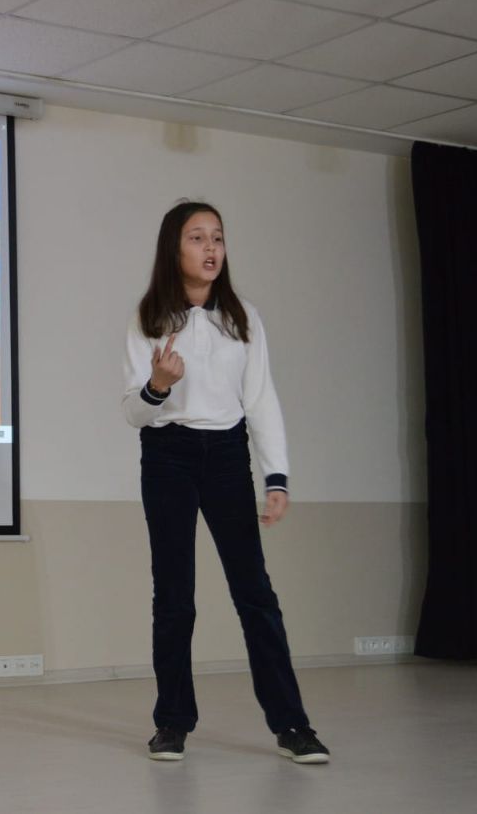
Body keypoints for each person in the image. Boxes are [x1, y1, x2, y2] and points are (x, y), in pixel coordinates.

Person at [122, 200, 330, 765]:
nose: (211, 248)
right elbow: (134, 413)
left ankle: (292, 726)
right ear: (175, 248)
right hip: (167, 455)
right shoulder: (148, 317)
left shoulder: (243, 318)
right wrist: (158, 386)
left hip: (227, 456)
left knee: (255, 595)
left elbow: (261, 397)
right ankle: (172, 724)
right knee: (175, 598)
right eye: (197, 238)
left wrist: (276, 475)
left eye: (218, 237)